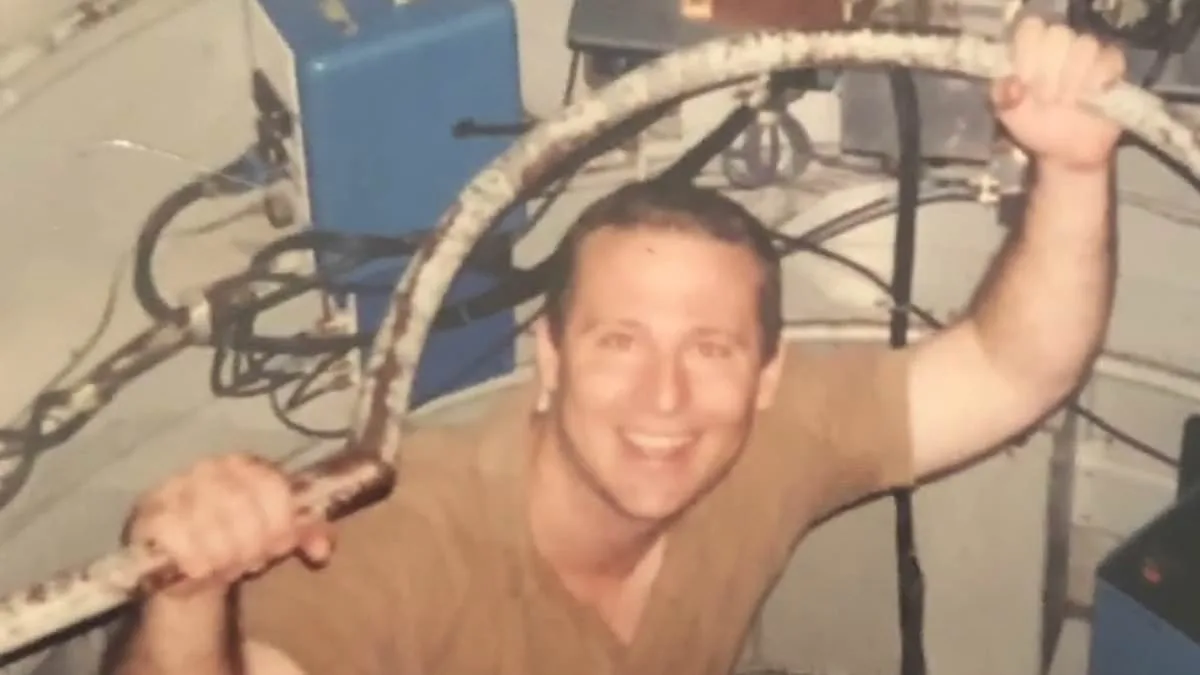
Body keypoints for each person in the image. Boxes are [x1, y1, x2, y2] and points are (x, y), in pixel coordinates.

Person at [104, 16, 1124, 675]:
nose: (664, 398)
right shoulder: (405, 536)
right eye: (619, 341)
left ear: (766, 377)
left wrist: (1076, 166)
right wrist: (190, 599)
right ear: (548, 360)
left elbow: (1011, 369)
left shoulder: (770, 441)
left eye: (712, 349)